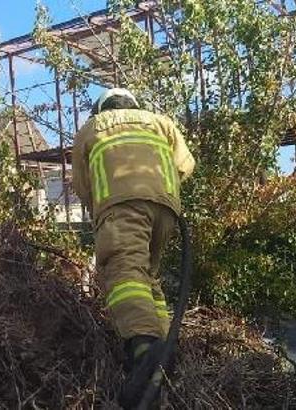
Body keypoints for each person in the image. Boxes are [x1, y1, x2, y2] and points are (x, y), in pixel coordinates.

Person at [71, 88, 196, 405]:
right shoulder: (161, 122)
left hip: (122, 207)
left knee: (124, 273)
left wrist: (100, 210)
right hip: (166, 210)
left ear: (101, 108)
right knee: (146, 278)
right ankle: (165, 351)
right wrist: (159, 191)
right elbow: (185, 165)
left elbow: (83, 185)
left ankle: (143, 349)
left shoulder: (93, 127)